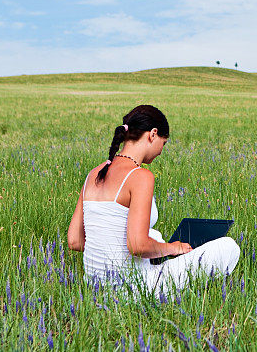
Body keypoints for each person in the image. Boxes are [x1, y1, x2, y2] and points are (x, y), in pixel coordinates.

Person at [66, 105, 240, 299]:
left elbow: (75, 240)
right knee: (229, 246)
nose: (161, 151)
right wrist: (174, 248)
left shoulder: (94, 173)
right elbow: (138, 246)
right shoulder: (140, 176)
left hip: (95, 287)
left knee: (154, 235)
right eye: (163, 144)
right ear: (153, 134)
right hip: (134, 288)